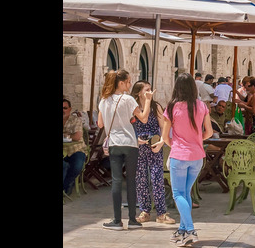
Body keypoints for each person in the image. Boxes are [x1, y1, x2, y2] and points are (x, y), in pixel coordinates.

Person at [162, 73, 213, 247]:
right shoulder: (201, 106)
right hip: (197, 156)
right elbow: (210, 132)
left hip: (179, 155)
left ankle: (190, 230)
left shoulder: (172, 107)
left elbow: (165, 136)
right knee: (186, 192)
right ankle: (182, 230)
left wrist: (175, 144)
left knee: (178, 194)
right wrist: (198, 140)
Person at [98, 69, 144, 231]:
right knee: (131, 180)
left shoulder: (103, 101)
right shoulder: (128, 99)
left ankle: (117, 220)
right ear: (121, 83)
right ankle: (132, 220)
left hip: (114, 144)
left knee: (116, 181)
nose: (130, 84)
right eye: (129, 81)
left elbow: (100, 124)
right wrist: (148, 100)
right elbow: (143, 118)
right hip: (130, 143)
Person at [131, 80, 176, 225]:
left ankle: (161, 213)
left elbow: (164, 126)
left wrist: (162, 141)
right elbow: (129, 126)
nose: (150, 92)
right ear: (139, 92)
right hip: (138, 147)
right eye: (146, 89)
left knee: (157, 178)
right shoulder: (134, 107)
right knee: (141, 179)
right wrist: (135, 138)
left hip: (154, 144)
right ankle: (145, 211)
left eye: (150, 89)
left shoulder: (156, 106)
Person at [63, 98, 87, 195]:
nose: (63, 110)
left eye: (65, 108)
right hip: (63, 150)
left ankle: (66, 185)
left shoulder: (75, 120)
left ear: (70, 109)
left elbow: (77, 137)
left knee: (77, 166)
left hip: (76, 149)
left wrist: (66, 136)